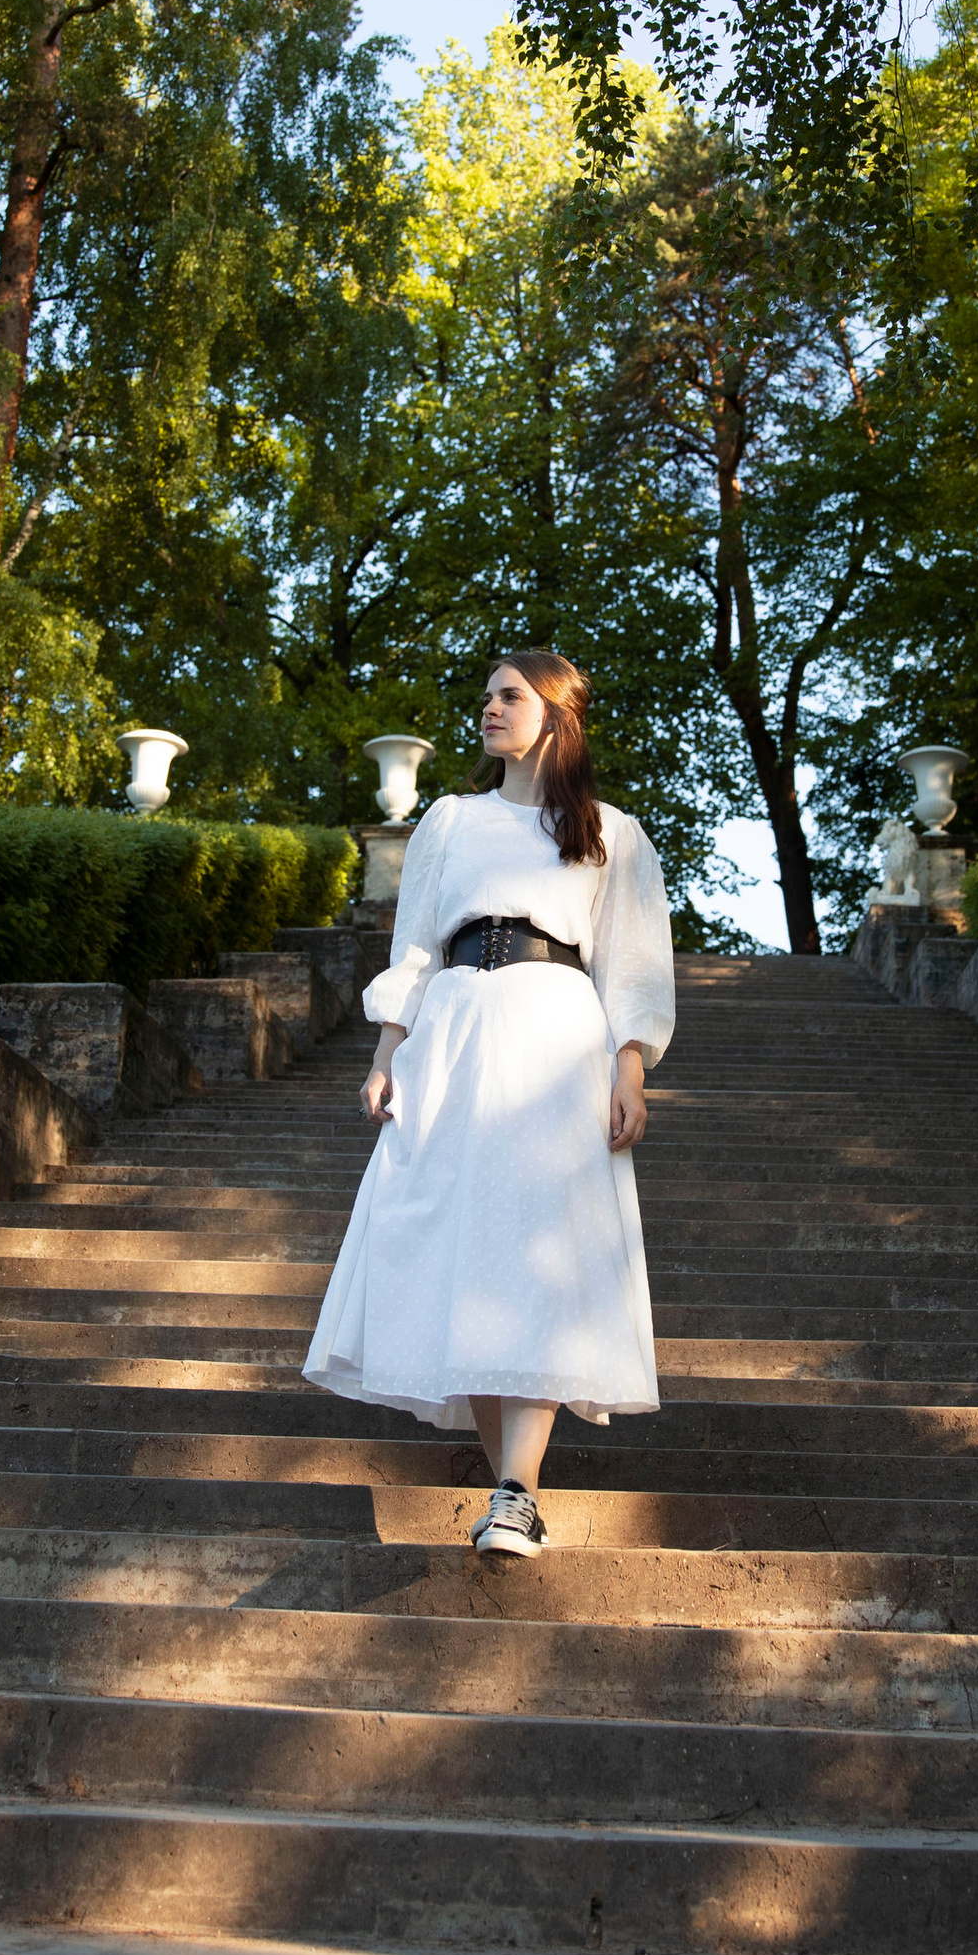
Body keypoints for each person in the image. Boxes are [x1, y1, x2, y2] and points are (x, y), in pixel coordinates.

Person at [302, 650, 676, 1558]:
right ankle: (511, 1492)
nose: (490, 709)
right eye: (486, 698)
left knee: (538, 1248)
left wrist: (630, 1069)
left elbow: (631, 962)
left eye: (510, 696)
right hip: (456, 1036)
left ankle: (517, 1490)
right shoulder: (450, 821)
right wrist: (389, 1051)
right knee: (457, 1255)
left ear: (556, 714)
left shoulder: (613, 834)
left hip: (557, 1036)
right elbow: (417, 949)